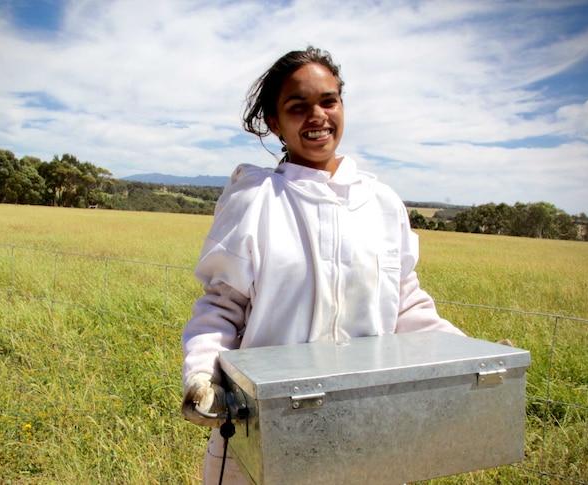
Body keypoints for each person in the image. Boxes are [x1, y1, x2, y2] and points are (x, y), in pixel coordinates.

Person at [180, 46, 465, 484]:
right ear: (274, 122)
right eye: (298, 106)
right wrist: (202, 374)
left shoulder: (382, 204)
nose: (317, 116)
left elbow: (406, 306)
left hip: (364, 425)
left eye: (328, 101)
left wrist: (467, 355)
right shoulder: (255, 200)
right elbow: (222, 307)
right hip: (263, 429)